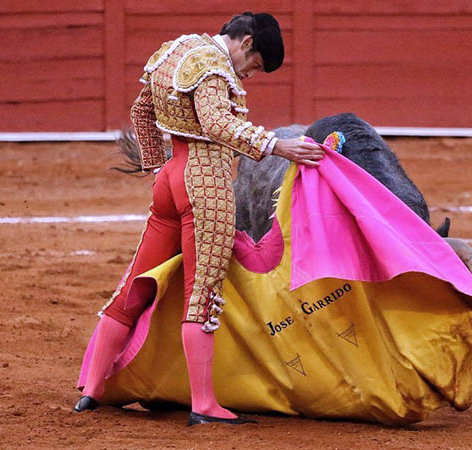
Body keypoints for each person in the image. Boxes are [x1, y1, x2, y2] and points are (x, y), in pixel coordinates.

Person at [73, 11, 324, 426]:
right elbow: (215, 122)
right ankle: (204, 404)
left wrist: (159, 169)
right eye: (256, 63)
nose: (251, 74)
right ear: (246, 43)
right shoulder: (213, 65)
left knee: (134, 284)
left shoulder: (178, 49)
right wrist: (277, 146)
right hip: (205, 182)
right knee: (201, 296)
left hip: (172, 177)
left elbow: (141, 110)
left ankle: (93, 390)